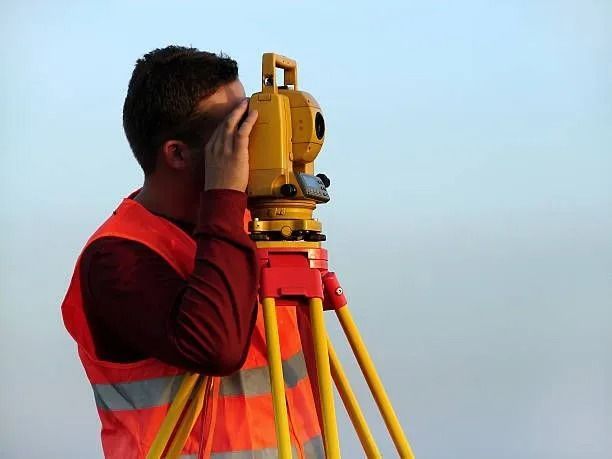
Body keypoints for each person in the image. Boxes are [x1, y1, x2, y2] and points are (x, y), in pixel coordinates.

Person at [61, 46, 323, 458]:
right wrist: (224, 194)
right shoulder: (117, 259)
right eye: (237, 129)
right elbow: (216, 348)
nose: (256, 139)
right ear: (178, 153)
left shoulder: (249, 235)